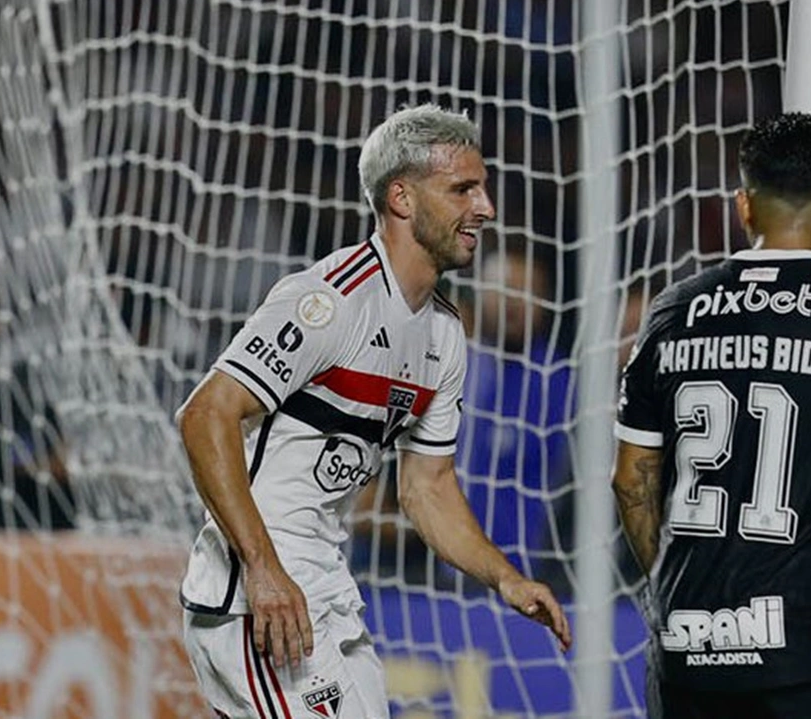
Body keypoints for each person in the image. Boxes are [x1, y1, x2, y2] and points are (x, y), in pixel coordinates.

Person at [177, 105, 570, 719]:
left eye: (483, 188)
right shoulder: (328, 301)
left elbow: (428, 487)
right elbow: (205, 416)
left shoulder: (444, 335)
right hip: (258, 600)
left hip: (326, 591)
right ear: (402, 198)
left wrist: (505, 578)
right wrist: (263, 568)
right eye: (463, 188)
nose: (485, 208)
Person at [612, 112, 811, 719]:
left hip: (689, 650)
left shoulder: (671, 311)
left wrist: (672, 590)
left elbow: (630, 479)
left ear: (744, 207)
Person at [458, 244, 575, 587]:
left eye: (525, 292)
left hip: (539, 577)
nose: (511, 303)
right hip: (446, 578)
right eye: (502, 289)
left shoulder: (566, 381)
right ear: (479, 293)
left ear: (546, 302)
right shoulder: (451, 369)